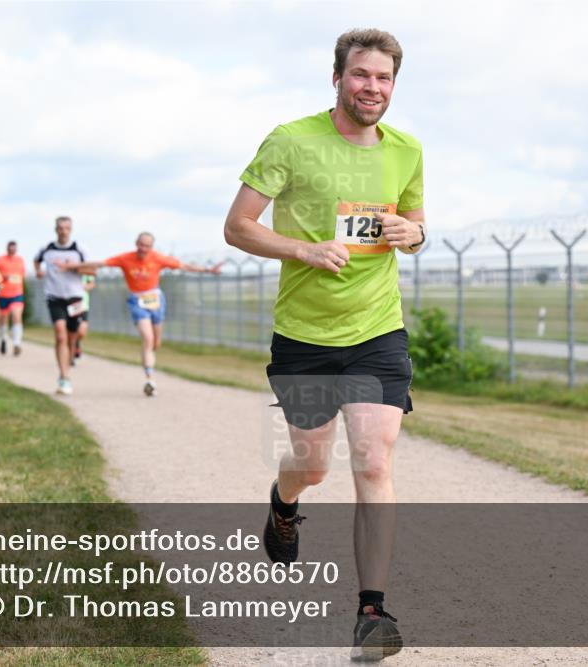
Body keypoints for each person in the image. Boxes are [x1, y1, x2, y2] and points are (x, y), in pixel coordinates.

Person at [223, 28, 425, 661]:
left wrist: (409, 234)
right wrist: (304, 249)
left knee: (373, 462)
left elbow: (417, 229)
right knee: (312, 465)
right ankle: (285, 504)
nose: (373, 88)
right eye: (362, 75)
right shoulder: (291, 140)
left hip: (376, 331)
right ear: (337, 77)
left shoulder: (407, 150)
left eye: (385, 78)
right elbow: (238, 227)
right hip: (305, 336)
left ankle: (372, 612)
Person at [56, 232, 221, 396]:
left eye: (147, 246)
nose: (143, 249)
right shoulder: (125, 258)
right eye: (141, 245)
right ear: (136, 243)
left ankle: (150, 360)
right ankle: (149, 378)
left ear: (151, 247)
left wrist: (209, 270)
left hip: (156, 300)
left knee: (156, 343)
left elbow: (184, 266)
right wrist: (71, 266)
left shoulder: (158, 258)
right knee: (147, 339)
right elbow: (99, 263)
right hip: (137, 301)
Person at [34, 216, 89, 395]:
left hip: (75, 297)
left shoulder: (79, 249)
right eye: (60, 228)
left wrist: (72, 267)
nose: (63, 231)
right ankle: (64, 377)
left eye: (67, 228)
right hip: (54, 296)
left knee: (73, 337)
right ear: (55, 229)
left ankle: (67, 368)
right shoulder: (47, 249)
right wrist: (38, 271)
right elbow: (36, 260)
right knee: (60, 336)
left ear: (71, 229)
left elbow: (91, 270)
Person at [0, 241, 27, 356]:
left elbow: (23, 275)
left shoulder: (20, 260)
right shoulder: (0, 260)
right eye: (10, 249)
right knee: (4, 318)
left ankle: (17, 343)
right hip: (3, 294)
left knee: (16, 315)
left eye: (14, 249)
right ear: (7, 249)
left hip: (17, 293)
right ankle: (3, 338)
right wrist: (4, 277)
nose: (12, 251)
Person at [74, 273, 96, 361]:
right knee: (72, 328)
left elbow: (91, 284)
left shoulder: (85, 269)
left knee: (82, 331)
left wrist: (82, 288)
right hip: (72, 303)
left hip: (83, 305)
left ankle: (76, 343)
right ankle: (72, 351)